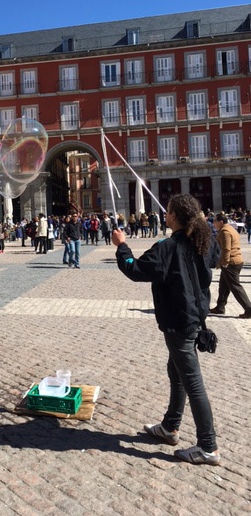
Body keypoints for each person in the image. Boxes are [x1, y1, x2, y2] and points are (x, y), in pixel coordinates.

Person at [112, 193, 221, 465]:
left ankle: (208, 446)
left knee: (193, 382)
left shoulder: (168, 247)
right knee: (177, 372)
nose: (165, 214)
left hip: (178, 322)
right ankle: (170, 427)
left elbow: (135, 269)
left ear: (173, 216)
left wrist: (122, 246)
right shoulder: (204, 241)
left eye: (168, 211)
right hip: (194, 317)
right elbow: (215, 256)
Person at [209, 213, 251, 318]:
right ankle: (220, 307)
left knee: (235, 287)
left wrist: (225, 262)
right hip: (235, 260)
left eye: (215, 221)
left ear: (221, 222)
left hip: (231, 262)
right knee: (223, 286)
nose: (213, 223)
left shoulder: (225, 232)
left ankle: (249, 309)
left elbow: (226, 249)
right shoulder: (231, 229)